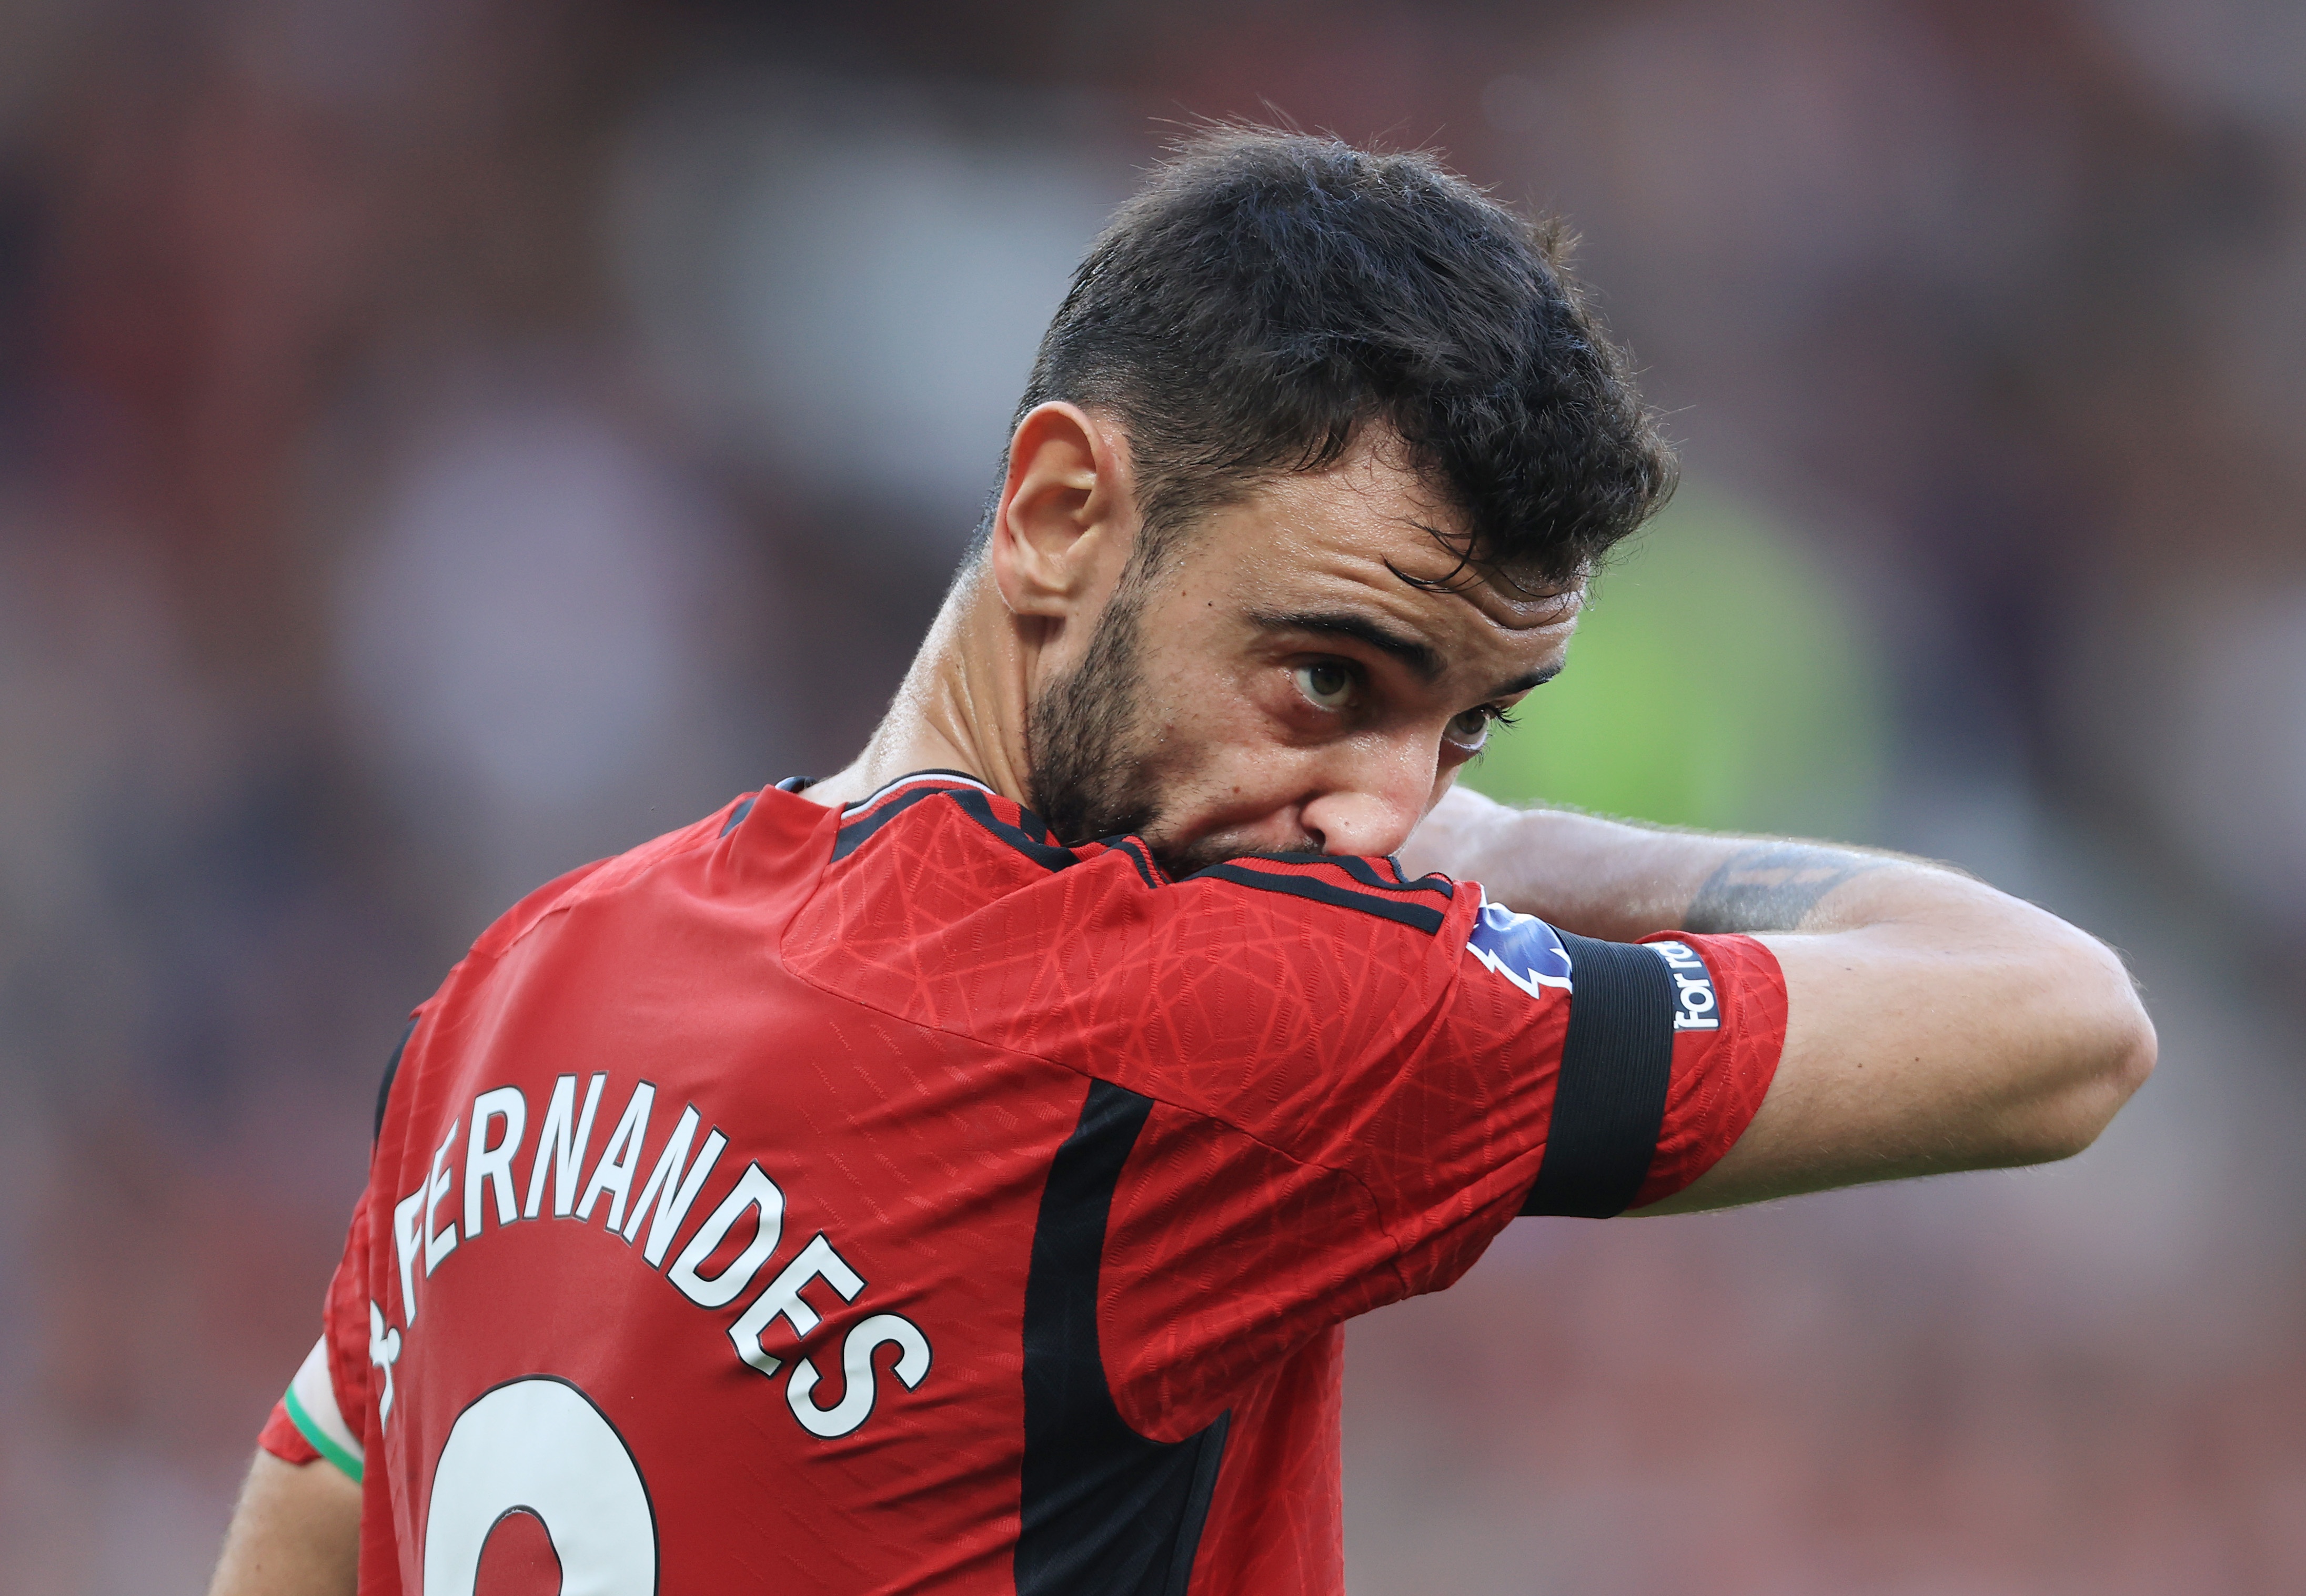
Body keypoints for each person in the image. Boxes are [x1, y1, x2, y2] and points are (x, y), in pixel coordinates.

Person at [207, 128, 2154, 1596]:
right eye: (1330, 676)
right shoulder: (1218, 1012)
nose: (1380, 815)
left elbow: (314, 1487)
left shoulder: (525, 978)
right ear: (1061, 511)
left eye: (1465, 731)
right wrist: (1509, 845)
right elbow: (2059, 1025)